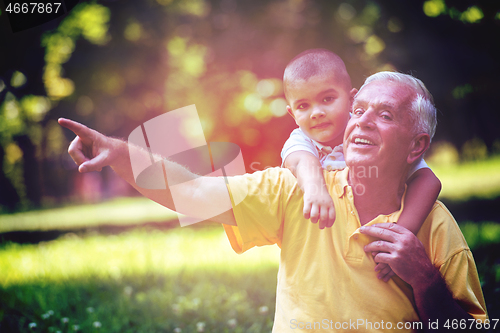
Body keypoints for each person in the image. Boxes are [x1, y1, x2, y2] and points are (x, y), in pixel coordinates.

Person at [59, 71, 487, 332]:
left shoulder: (436, 228)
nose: (361, 123)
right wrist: (119, 153)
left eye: (385, 115)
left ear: (417, 146)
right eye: (358, 110)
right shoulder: (295, 187)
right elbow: (194, 193)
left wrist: (425, 279)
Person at [281, 49, 441, 281]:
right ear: (292, 113)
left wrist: (401, 234)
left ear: (351, 98)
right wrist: (315, 188)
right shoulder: (301, 139)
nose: (316, 113)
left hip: (372, 239)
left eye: (327, 99)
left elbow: (428, 180)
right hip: (324, 241)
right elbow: (299, 160)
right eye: (303, 106)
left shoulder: (367, 133)